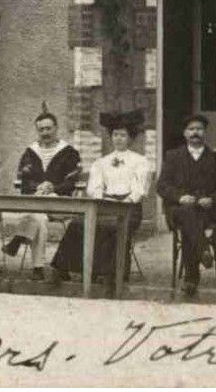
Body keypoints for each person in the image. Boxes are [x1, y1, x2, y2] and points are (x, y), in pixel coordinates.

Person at [49, 110, 151, 285]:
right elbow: (94, 188)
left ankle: (110, 272)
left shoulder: (140, 162)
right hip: (104, 205)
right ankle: (65, 268)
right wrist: (102, 201)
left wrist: (124, 203)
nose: (118, 139)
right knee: (78, 224)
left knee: (113, 226)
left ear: (130, 138)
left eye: (123, 135)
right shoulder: (101, 162)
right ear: (111, 137)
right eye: (115, 135)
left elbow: (139, 189)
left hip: (129, 209)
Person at [157, 113, 216, 299]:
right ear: (185, 133)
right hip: (179, 209)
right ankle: (203, 249)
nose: (195, 133)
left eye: (199, 129)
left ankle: (191, 279)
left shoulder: (215, 158)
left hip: (206, 211)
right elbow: (162, 186)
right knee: (188, 213)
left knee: (190, 222)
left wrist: (212, 200)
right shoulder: (173, 156)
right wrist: (179, 197)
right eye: (191, 129)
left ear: (204, 132)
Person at [2, 109, 82, 280]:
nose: (45, 133)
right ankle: (38, 269)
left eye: (48, 128)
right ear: (37, 131)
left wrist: (53, 188)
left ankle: (19, 238)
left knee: (37, 211)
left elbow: (71, 182)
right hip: (35, 202)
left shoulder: (69, 153)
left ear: (56, 128)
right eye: (41, 129)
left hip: (60, 203)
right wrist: (38, 187)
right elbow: (24, 180)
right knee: (40, 219)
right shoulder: (30, 153)